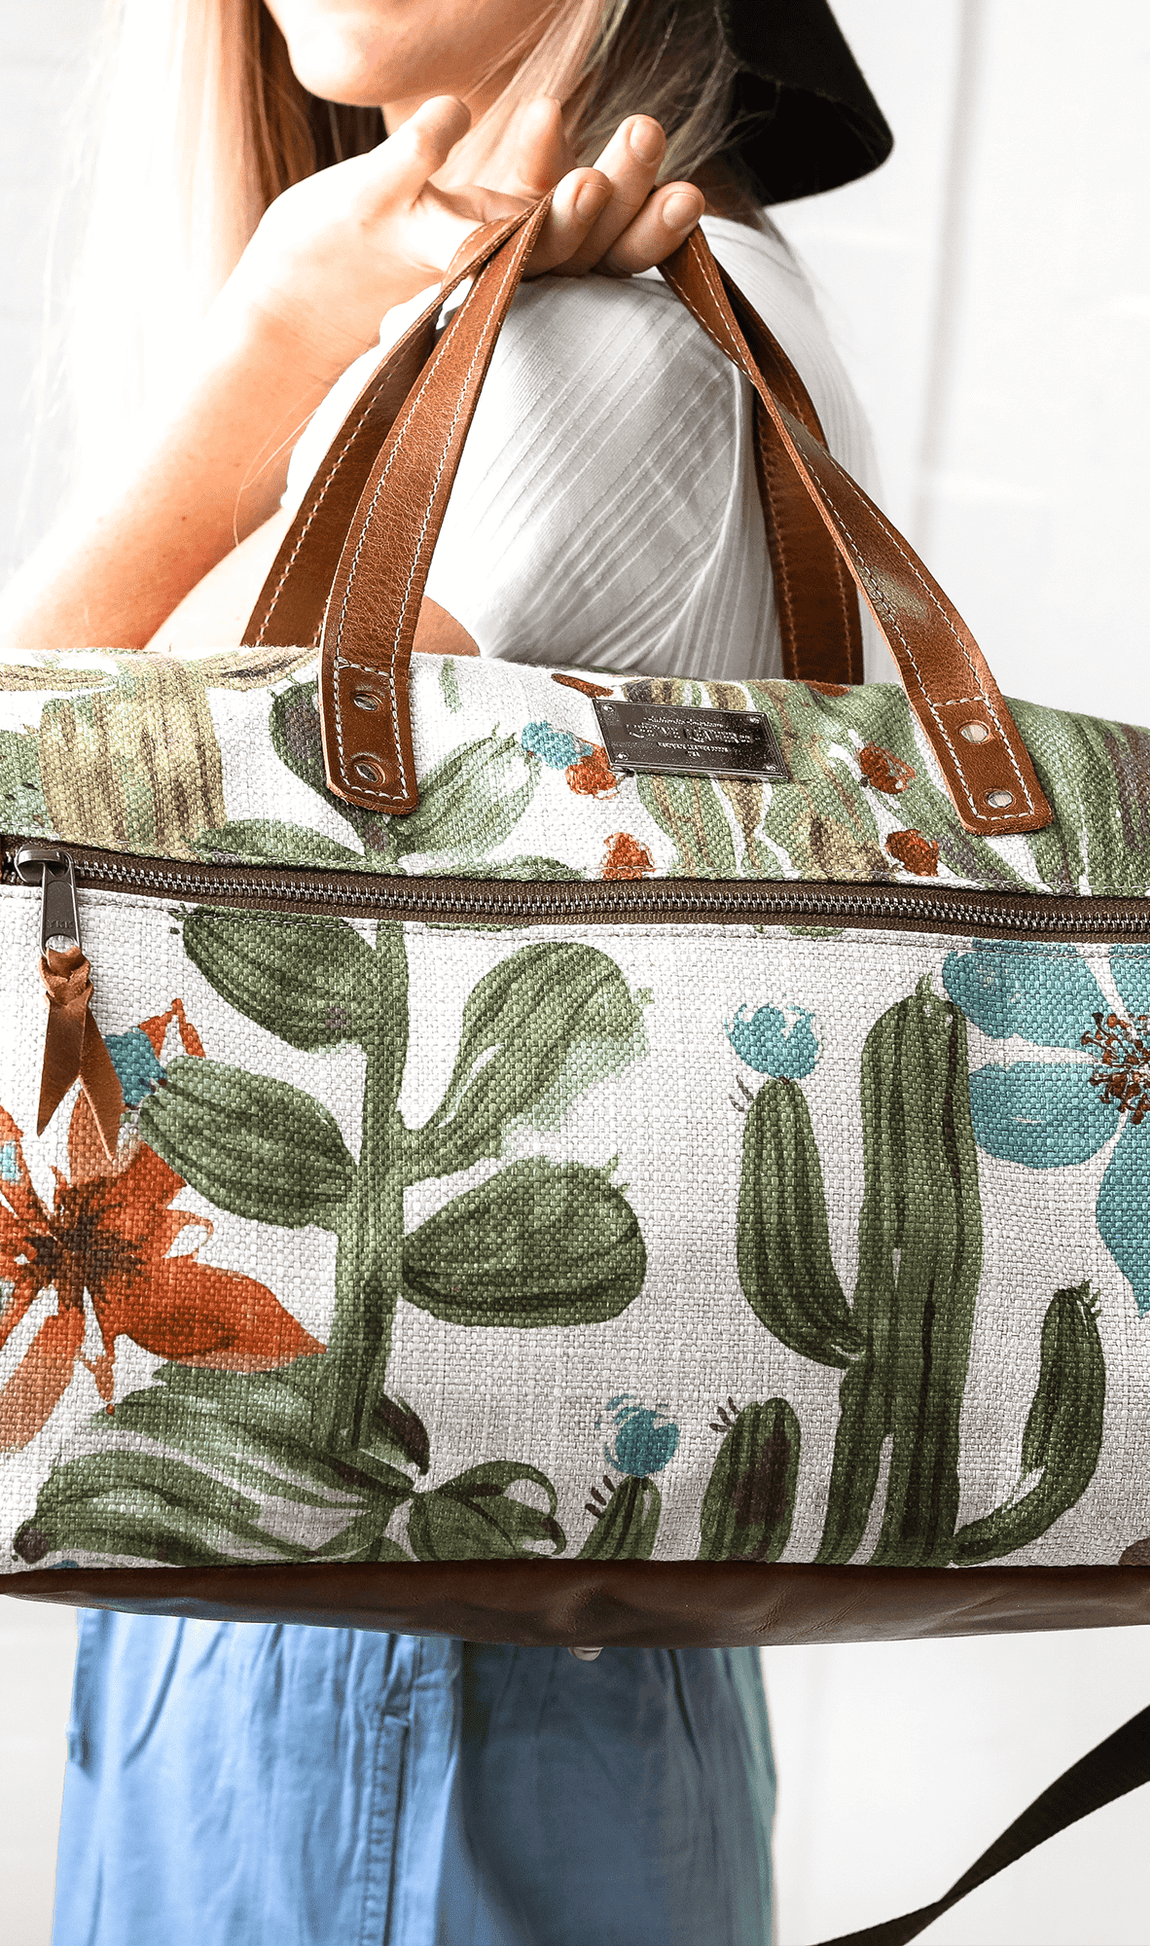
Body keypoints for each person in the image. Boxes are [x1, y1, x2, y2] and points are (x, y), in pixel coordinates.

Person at [0, 4, 893, 1941]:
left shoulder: (584, 357)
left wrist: (258, 354)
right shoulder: (613, 320)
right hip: (448, 1603)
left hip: (391, 1625)